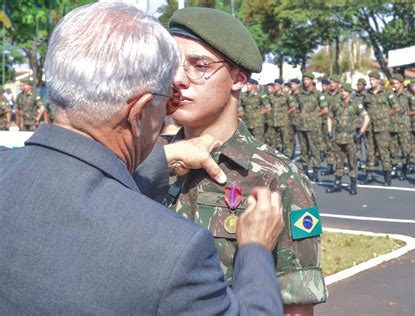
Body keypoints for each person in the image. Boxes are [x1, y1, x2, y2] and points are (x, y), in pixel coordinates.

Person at [0, 3, 285, 314]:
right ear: (138, 115)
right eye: (167, 101)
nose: (175, 101)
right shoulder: (174, 253)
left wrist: (164, 157)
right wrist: (255, 249)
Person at [157, 7, 327, 315]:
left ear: (238, 78)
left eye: (199, 65)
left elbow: (295, 306)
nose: (178, 79)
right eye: (171, 65)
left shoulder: (277, 179)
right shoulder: (152, 162)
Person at [326, 83, 370, 195]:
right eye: (341, 91)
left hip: (351, 138)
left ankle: (353, 185)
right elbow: (329, 117)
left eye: (344, 91)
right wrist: (330, 131)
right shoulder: (336, 105)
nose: (342, 93)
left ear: (349, 93)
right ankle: (337, 184)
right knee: (339, 162)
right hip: (339, 138)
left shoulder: (355, 105)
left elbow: (366, 117)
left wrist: (361, 132)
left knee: (352, 162)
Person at [361, 71, 399, 186]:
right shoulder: (367, 94)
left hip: (382, 127)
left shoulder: (387, 92)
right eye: (370, 80)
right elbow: (363, 108)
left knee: (384, 151)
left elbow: (396, 107)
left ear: (378, 80)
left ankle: (387, 175)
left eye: (373, 80)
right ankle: (369, 174)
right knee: (369, 151)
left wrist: (385, 116)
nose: (371, 82)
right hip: (369, 127)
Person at [296, 72, 328, 182]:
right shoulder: (300, 94)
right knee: (304, 150)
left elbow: (325, 109)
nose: (305, 81)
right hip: (301, 126)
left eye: (307, 79)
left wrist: (314, 116)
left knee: (314, 150)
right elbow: (296, 107)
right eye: (304, 79)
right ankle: (304, 171)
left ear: (312, 81)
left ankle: (315, 172)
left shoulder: (318, 94)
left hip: (313, 127)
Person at [390, 74, 414, 181]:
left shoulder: (408, 95)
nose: (393, 85)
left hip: (404, 126)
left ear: (401, 84)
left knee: (405, 149)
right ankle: (394, 168)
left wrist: (405, 115)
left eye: (395, 83)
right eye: (392, 83)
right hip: (392, 126)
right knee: (393, 149)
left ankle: (404, 169)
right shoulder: (390, 95)